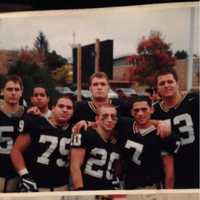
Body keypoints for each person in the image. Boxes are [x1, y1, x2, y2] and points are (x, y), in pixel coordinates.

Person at [10, 95, 74, 192]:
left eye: (69, 108)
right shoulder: (36, 123)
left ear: (73, 112)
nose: (65, 110)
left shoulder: (75, 129)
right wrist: (24, 175)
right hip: (36, 186)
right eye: (61, 106)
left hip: (62, 187)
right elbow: (16, 151)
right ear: (53, 108)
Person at [153, 67, 199, 188]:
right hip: (172, 168)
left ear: (177, 83)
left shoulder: (194, 101)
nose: (166, 85)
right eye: (162, 83)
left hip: (195, 164)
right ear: (157, 88)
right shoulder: (154, 111)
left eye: (170, 81)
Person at [117, 95, 175, 189]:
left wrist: (168, 194)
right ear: (131, 112)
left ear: (151, 110)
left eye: (144, 109)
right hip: (129, 186)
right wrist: (86, 123)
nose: (140, 113)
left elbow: (168, 169)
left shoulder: (161, 132)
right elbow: (102, 122)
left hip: (152, 187)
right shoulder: (125, 125)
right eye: (136, 110)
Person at [70, 104, 121, 190]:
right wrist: (80, 191)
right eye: (105, 116)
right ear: (97, 118)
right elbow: (74, 166)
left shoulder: (117, 138)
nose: (109, 120)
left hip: (108, 190)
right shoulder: (83, 133)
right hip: (88, 189)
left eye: (113, 116)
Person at [0, 75, 25, 192]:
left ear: (21, 92)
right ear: (2, 92)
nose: (13, 93)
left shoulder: (29, 116)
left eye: (16, 89)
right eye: (9, 89)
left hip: (21, 174)